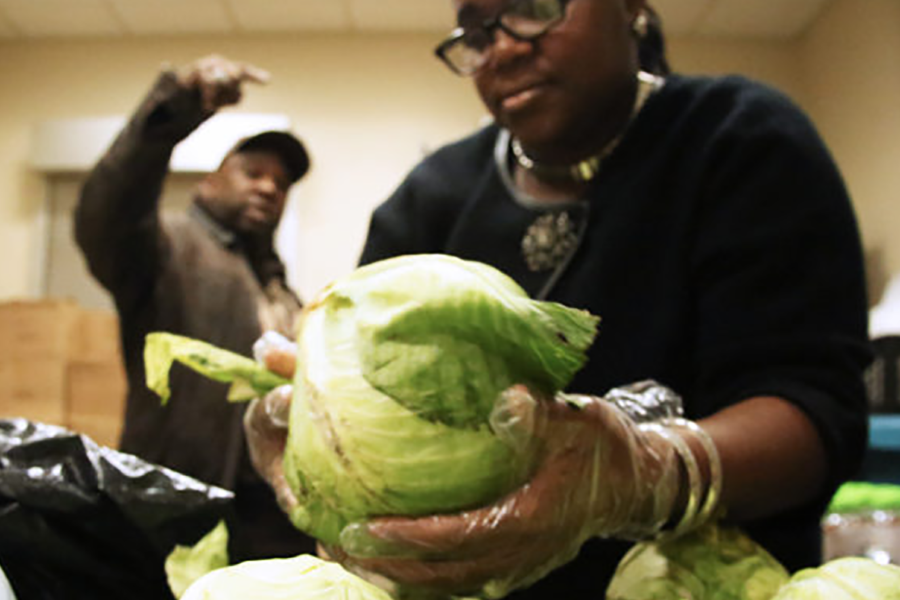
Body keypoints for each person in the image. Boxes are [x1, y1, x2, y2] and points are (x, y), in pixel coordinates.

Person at [246, 0, 871, 597]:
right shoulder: (431, 197)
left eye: (536, 6)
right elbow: (356, 374)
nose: (502, 51)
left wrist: (643, 475)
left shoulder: (739, 142)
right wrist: (310, 422)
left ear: (631, 6)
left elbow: (815, 411)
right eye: (476, 31)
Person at [74, 54, 317, 562]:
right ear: (209, 181)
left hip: (272, 521)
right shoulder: (170, 250)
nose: (270, 187)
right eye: (253, 172)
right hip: (177, 508)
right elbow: (107, 213)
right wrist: (178, 106)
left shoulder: (279, 286)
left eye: (282, 183)